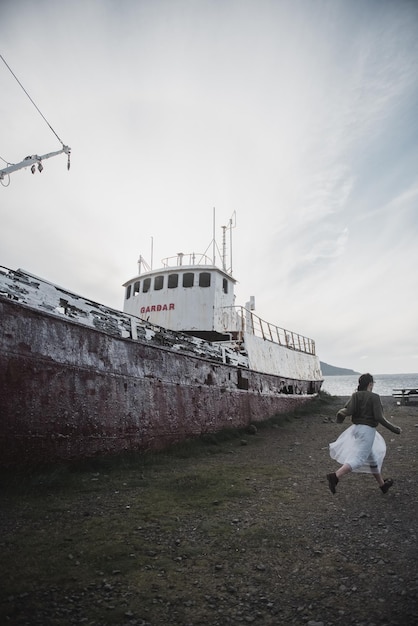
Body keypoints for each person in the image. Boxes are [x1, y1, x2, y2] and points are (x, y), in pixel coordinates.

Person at [327, 373, 402, 495]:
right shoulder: (374, 397)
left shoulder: (355, 395)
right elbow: (379, 417)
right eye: (372, 384)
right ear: (370, 384)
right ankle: (335, 476)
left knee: (372, 457)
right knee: (359, 459)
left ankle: (383, 485)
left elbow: (348, 410)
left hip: (356, 429)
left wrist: (340, 417)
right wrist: (394, 429)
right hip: (367, 431)